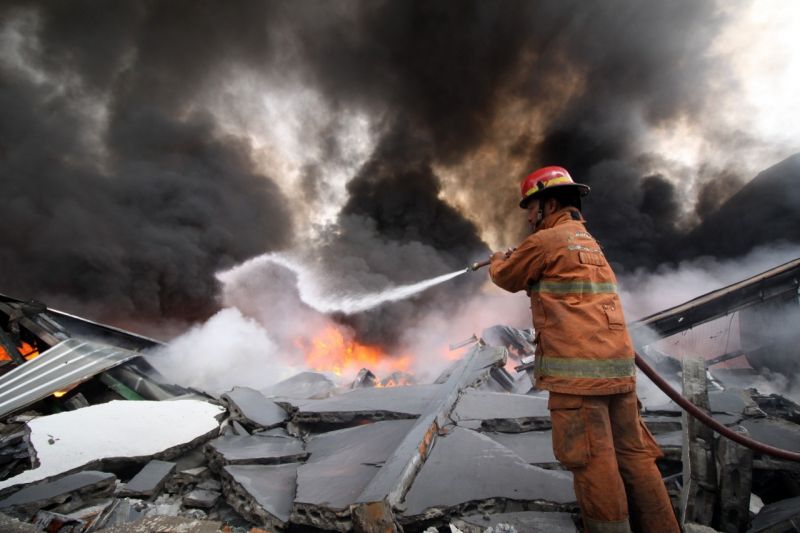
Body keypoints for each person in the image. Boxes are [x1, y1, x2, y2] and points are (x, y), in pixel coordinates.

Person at [488, 166, 680, 533]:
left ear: (550, 203)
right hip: (619, 374)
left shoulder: (546, 241)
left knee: (593, 462)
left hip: (579, 381)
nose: (529, 216)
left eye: (532, 207)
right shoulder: (589, 243)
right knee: (635, 457)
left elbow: (506, 277)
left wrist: (499, 258)